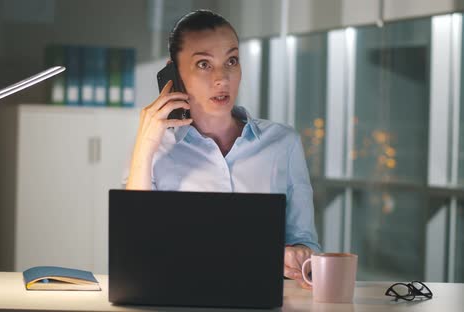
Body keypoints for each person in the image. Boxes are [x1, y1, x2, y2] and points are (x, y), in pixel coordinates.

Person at [125, 9, 321, 289]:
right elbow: (132, 251)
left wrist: (300, 255)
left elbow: (307, 247)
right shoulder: (154, 148)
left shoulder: (283, 143)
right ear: (174, 73)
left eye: (231, 60)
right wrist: (144, 149)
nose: (222, 78)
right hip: (177, 299)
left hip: (261, 302)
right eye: (204, 64)